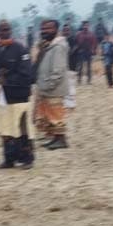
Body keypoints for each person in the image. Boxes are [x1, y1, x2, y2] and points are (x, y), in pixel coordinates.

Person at [0, 21, 35, 169]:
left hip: (19, 96)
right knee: (5, 128)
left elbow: (27, 74)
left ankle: (27, 159)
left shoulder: (20, 49)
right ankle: (9, 159)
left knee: (21, 128)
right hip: (2, 98)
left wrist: (7, 80)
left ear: (10, 31)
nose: (4, 32)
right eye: (2, 30)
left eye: (7, 30)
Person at [34, 19, 69, 150]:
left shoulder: (58, 47)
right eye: (43, 29)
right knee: (50, 114)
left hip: (55, 87)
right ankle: (55, 138)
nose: (45, 31)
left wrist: (50, 84)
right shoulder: (48, 46)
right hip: (47, 87)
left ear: (56, 30)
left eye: (48, 28)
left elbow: (58, 70)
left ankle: (61, 139)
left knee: (56, 114)